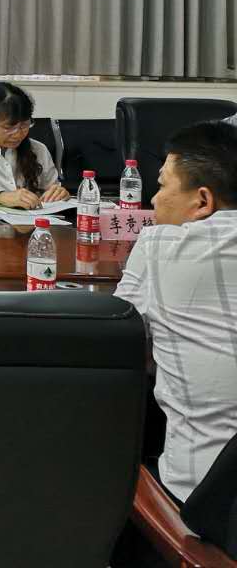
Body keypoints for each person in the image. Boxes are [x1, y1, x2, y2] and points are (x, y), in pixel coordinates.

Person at [115, 120, 237, 504]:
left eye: (163, 185)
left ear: (202, 202)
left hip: (207, 504)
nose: (153, 200)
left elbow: (118, 342)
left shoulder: (159, 246)